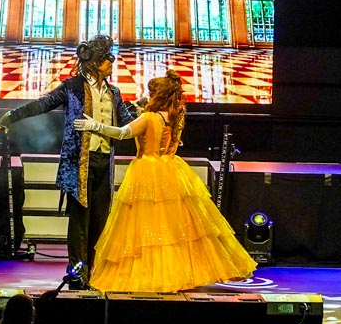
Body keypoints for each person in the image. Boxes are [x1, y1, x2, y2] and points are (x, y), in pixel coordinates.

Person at [76, 71, 256, 292]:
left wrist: (95, 126)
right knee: (173, 228)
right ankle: (177, 273)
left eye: (151, 92)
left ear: (157, 95)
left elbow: (123, 133)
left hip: (147, 170)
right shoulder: (174, 116)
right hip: (170, 169)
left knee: (146, 225)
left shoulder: (150, 118)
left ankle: (149, 273)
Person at [0, 35, 140, 281]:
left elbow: (127, 123)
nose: (112, 62)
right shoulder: (72, 87)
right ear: (95, 62)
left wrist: (151, 120)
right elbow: (43, 104)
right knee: (80, 223)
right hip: (79, 164)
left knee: (100, 222)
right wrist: (9, 118)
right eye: (107, 58)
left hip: (104, 163)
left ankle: (93, 275)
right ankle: (77, 276)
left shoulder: (114, 92)